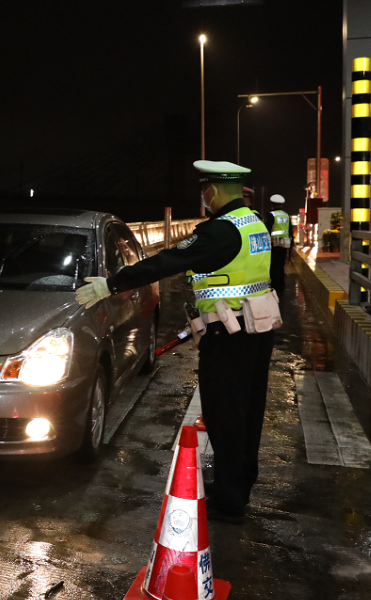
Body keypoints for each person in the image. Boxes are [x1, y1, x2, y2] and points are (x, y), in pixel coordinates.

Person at [76, 161, 277, 523]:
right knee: (247, 414)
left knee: (225, 416)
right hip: (257, 329)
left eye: (204, 191)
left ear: (212, 191)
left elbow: (169, 260)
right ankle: (238, 486)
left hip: (229, 334)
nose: (203, 198)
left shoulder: (220, 231)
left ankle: (229, 503)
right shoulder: (254, 223)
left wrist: (112, 283)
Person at [265, 194, 292, 299]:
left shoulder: (271, 215)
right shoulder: (286, 215)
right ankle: (281, 287)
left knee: (273, 266)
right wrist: (291, 248)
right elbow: (290, 231)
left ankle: (275, 288)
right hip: (284, 244)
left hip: (274, 243)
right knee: (281, 266)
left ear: (272, 204)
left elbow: (267, 230)